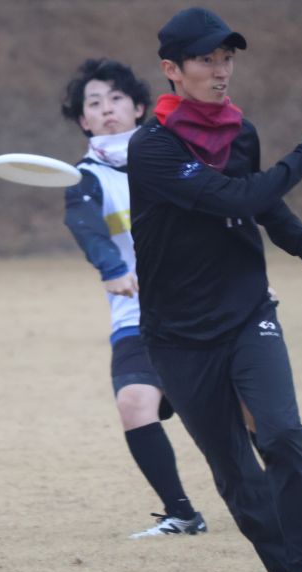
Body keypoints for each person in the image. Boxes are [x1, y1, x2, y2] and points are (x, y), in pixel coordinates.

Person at [127, 7, 302, 572]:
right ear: (172, 70)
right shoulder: (151, 147)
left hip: (248, 312)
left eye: (227, 58)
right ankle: (290, 566)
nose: (221, 70)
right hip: (178, 336)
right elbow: (237, 196)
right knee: (234, 471)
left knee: (281, 434)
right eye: (207, 60)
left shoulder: (240, 133)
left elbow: (264, 206)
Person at [59, 58, 207, 539]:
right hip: (137, 315)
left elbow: (215, 219)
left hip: (202, 306)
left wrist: (248, 278)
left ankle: (281, 501)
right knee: (134, 404)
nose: (106, 109)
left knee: (245, 414)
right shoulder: (86, 178)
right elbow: (85, 226)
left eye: (116, 98)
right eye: (94, 103)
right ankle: (181, 514)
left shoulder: (174, 158)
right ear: (83, 120)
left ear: (139, 107)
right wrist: (113, 269)